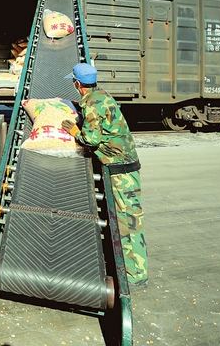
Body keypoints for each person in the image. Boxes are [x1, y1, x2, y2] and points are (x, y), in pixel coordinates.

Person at [63, 62, 148, 290]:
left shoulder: (90, 104)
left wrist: (74, 131)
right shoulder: (100, 95)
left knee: (128, 221)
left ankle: (135, 277)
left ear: (77, 84)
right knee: (130, 218)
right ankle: (134, 272)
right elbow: (98, 114)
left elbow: (91, 139)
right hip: (126, 164)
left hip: (121, 170)